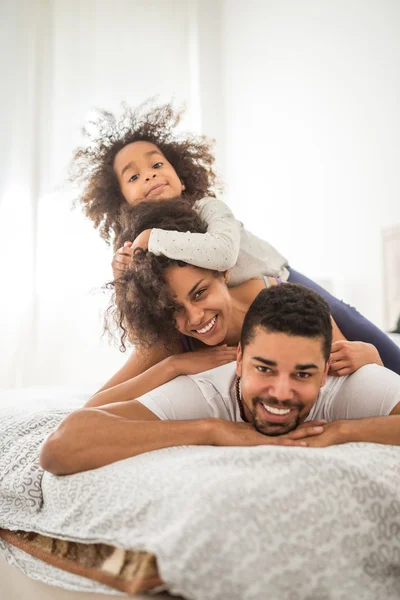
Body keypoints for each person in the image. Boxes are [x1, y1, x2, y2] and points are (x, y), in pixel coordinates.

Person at [71, 101, 400, 376]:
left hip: (280, 282)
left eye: (157, 163)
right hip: (229, 313)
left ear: (182, 178)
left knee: (350, 323)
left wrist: (151, 237)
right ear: (122, 201)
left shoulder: (205, 209)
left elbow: (223, 253)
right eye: (134, 176)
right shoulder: (141, 249)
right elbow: (147, 326)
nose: (151, 174)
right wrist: (121, 277)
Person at [40, 284, 400, 476]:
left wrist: (339, 433)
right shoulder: (207, 392)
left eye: (302, 374)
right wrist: (211, 431)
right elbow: (61, 446)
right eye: (265, 368)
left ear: (324, 373)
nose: (281, 392)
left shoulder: (348, 383)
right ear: (239, 360)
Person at [88, 200, 383, 410]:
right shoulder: (172, 341)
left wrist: (370, 355)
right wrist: (175, 365)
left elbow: (352, 375)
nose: (195, 317)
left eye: (200, 292)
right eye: (173, 308)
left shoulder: (281, 301)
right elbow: (94, 406)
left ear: (224, 273)